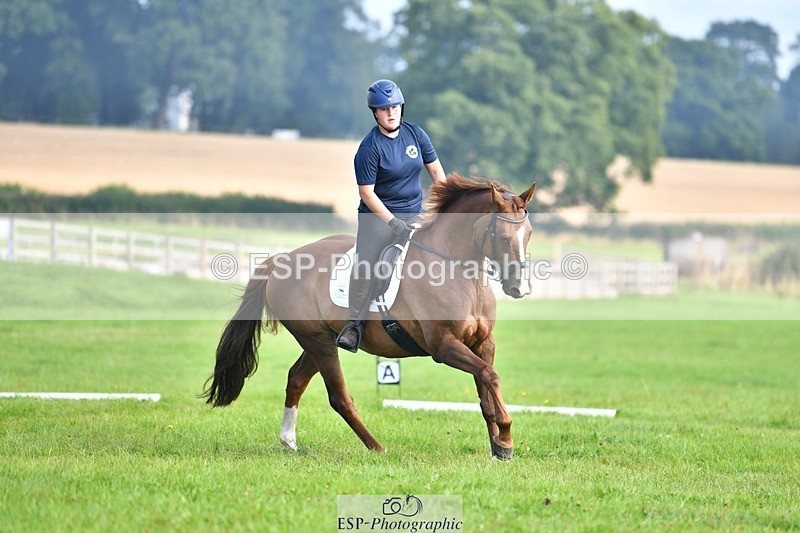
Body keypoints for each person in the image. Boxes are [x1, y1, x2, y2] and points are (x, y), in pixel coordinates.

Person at [335, 79, 447, 352]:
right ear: (375, 113)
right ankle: (354, 325)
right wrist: (393, 222)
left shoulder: (416, 134)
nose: (391, 112)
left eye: (395, 107)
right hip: (378, 218)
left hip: (415, 213)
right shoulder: (369, 147)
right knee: (367, 263)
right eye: (385, 109)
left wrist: (444, 209)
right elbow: (367, 193)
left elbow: (437, 174)